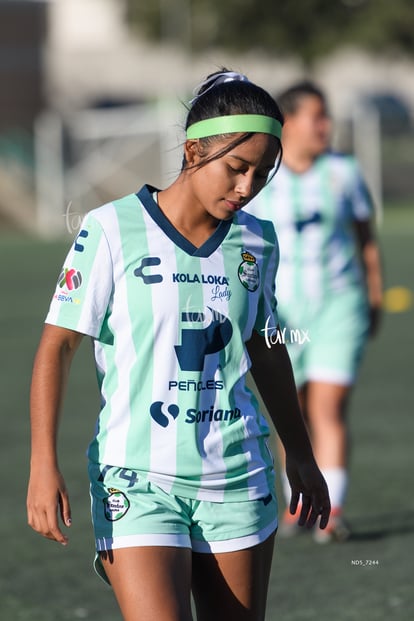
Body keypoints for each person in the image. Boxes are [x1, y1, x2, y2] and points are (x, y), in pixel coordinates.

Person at [27, 70, 330, 621]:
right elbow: (58, 346)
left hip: (239, 476)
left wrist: (302, 455)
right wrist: (42, 463)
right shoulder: (111, 228)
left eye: (261, 175)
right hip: (135, 479)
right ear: (193, 151)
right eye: (236, 168)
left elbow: (266, 349)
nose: (247, 187)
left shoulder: (258, 241)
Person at [246, 81, 383, 543]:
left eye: (327, 116)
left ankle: (334, 510)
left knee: (328, 405)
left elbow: (366, 238)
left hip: (339, 305)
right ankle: (300, 505)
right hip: (280, 315)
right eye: (316, 116)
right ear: (289, 123)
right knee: (294, 408)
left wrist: (375, 293)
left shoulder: (344, 172)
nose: (325, 125)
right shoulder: (263, 178)